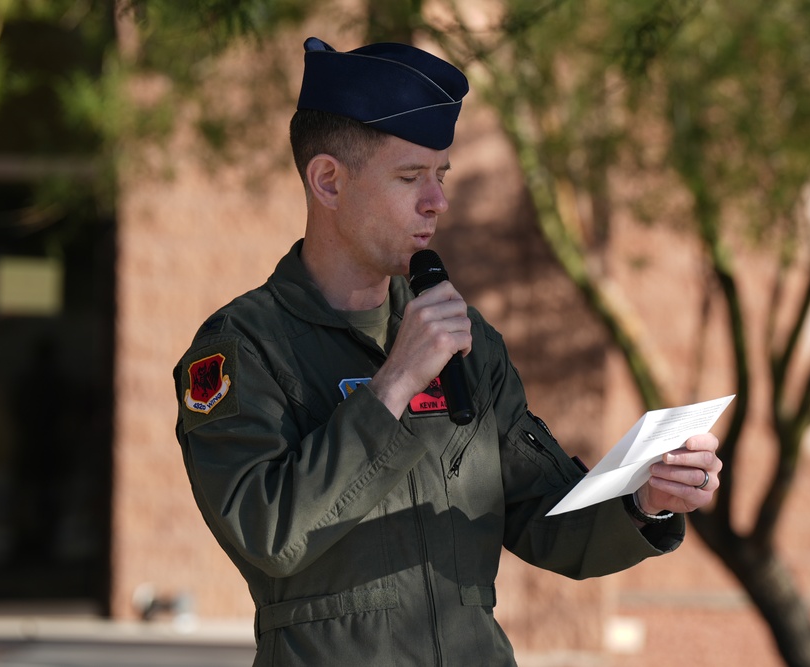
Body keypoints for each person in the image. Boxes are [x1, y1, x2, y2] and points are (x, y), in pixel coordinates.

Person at [173, 36, 723, 667]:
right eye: (411, 177)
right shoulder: (242, 349)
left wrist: (644, 498)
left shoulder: (465, 338)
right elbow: (267, 533)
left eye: (441, 176)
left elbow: (544, 515)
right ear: (328, 180)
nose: (436, 201)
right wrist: (394, 384)